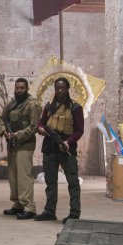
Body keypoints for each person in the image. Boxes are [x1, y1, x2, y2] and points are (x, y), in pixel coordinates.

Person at [35, 77, 84, 223]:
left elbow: (79, 130)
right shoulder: (49, 106)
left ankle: (74, 212)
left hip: (66, 147)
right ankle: (50, 211)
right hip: (49, 147)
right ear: (55, 89)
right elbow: (41, 123)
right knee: (50, 181)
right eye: (58, 88)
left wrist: (69, 142)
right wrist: (41, 129)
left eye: (63, 87)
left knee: (73, 181)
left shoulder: (75, 108)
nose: (60, 90)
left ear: (68, 89)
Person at [0, 78, 41, 220]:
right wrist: (4, 132)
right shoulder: (11, 104)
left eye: (22, 88)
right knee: (13, 176)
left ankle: (29, 208)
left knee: (24, 177)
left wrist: (16, 135)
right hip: (12, 145)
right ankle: (18, 205)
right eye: (17, 88)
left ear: (27, 89)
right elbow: (0, 119)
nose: (19, 90)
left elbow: (34, 127)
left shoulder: (33, 105)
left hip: (25, 145)